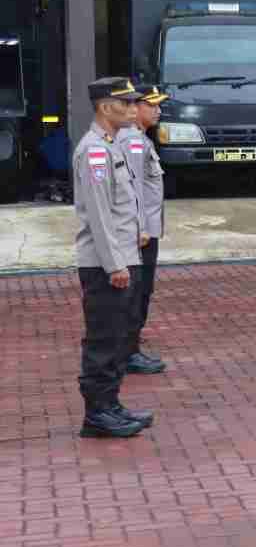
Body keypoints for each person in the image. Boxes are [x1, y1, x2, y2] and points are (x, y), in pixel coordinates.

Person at [73, 78, 153, 438]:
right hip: (106, 263)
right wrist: (115, 264)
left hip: (122, 255)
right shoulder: (93, 151)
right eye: (125, 103)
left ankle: (111, 404)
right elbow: (99, 214)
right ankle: (97, 415)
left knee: (117, 336)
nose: (132, 109)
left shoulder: (110, 146)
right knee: (103, 339)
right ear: (106, 108)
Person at [115, 84, 169, 376]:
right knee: (137, 292)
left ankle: (130, 348)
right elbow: (132, 188)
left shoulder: (140, 140)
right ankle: (128, 353)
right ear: (135, 108)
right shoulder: (133, 142)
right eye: (152, 105)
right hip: (141, 233)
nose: (158, 110)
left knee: (142, 291)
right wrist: (140, 227)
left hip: (147, 229)